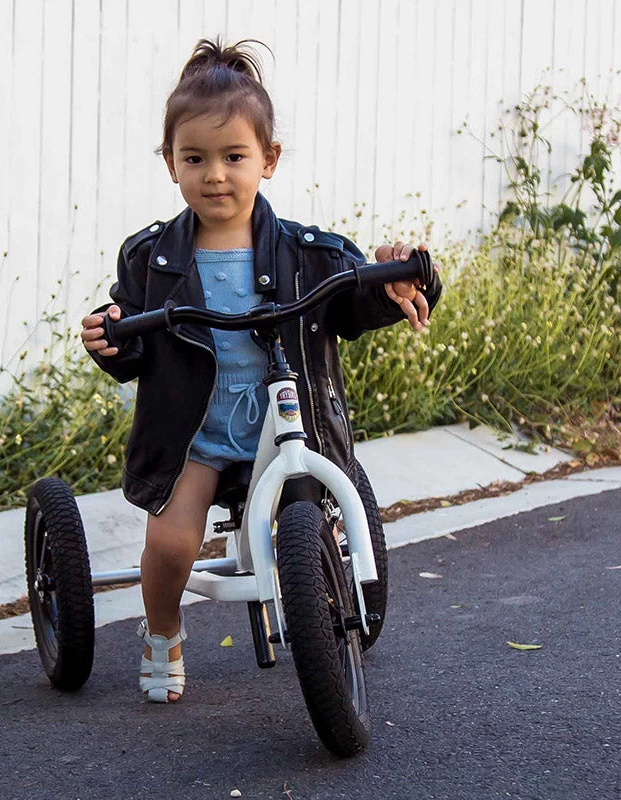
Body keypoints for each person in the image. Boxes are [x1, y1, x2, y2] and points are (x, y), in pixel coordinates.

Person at [81, 38, 442, 703]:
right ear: (171, 164)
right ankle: (162, 631)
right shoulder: (152, 258)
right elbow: (131, 341)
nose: (215, 175)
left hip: (288, 430)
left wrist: (392, 280)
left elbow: (357, 299)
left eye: (234, 157)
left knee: (313, 523)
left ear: (268, 161)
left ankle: (327, 600)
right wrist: (108, 336)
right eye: (195, 158)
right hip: (198, 435)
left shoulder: (309, 254)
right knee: (170, 543)